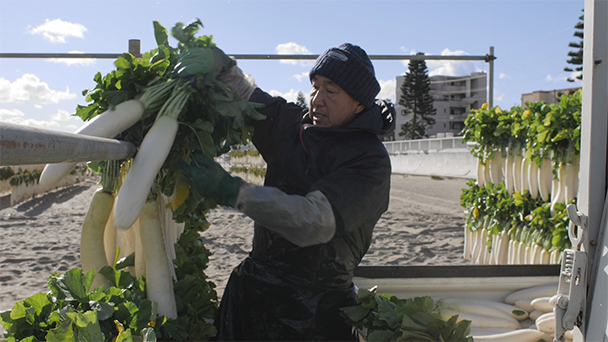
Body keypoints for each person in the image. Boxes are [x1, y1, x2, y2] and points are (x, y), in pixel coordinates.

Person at [180, 43, 395, 341]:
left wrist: (232, 191)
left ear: (359, 103)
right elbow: (251, 100)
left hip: (314, 311)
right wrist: (225, 68)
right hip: (255, 289)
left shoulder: (370, 162)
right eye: (315, 87)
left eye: (331, 92)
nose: (317, 101)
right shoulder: (294, 125)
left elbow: (315, 221)